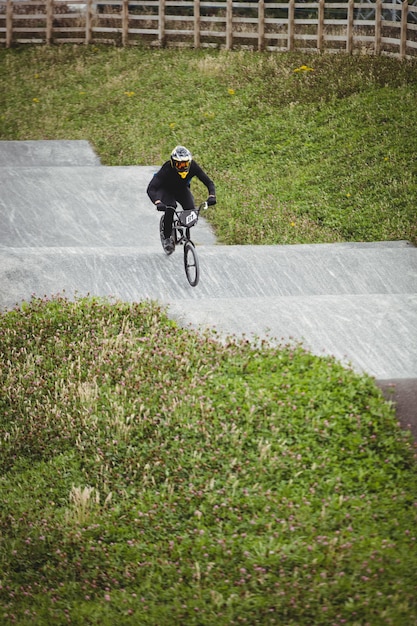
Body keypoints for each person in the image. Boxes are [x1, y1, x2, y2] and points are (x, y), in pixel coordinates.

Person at [147, 145, 216, 253]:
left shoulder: (193, 166)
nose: (183, 167)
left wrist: (212, 196)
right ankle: (167, 238)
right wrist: (157, 202)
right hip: (166, 189)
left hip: (181, 189)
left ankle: (181, 224)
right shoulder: (166, 168)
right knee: (170, 207)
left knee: (190, 210)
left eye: (185, 163)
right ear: (173, 163)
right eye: (179, 164)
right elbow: (151, 188)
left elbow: (208, 182)